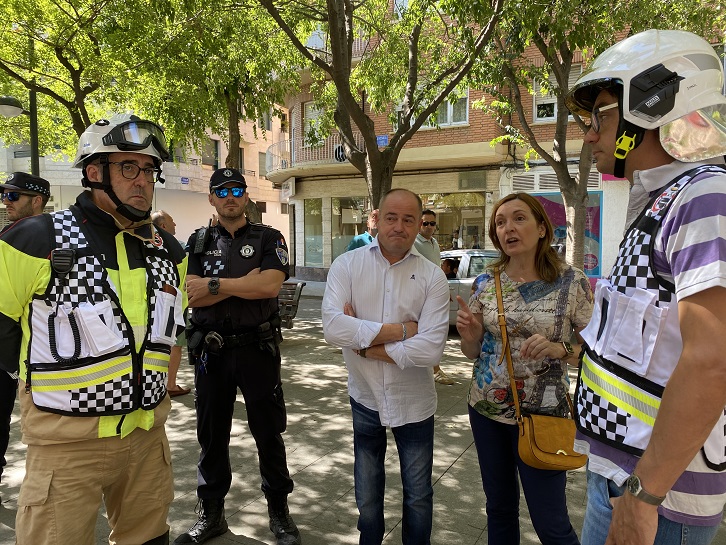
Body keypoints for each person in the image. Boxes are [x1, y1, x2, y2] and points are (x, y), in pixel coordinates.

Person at [563, 29, 726, 545]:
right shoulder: (661, 201)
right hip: (625, 481)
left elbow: (712, 360)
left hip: (659, 499)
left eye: (603, 115)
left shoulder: (704, 197)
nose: (591, 134)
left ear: (652, 105)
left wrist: (646, 496)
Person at [0, 114, 187, 545]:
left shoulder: (170, 252)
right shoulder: (35, 238)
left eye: (149, 169)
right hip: (66, 445)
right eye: (128, 167)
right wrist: (37, 378)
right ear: (93, 172)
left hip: (146, 438)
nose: (142, 180)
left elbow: (165, 333)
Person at [456, 192, 592, 545]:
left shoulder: (572, 281)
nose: (507, 228)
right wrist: (469, 335)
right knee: (499, 509)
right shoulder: (487, 281)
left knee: (551, 522)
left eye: (518, 219)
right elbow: (473, 354)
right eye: (500, 223)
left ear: (542, 228)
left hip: (545, 416)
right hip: (487, 410)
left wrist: (559, 348)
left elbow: (596, 351)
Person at [177, 167, 300, 545]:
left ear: (246, 197)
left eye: (236, 189)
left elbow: (270, 285)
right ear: (211, 198)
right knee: (211, 437)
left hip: (257, 350)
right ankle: (211, 515)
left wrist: (216, 285)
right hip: (211, 352)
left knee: (268, 433)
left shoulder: (268, 238)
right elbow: (190, 294)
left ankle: (279, 513)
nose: (230, 196)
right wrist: (244, 285)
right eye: (221, 190)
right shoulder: (196, 242)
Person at [322, 188, 450, 545]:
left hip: (415, 403)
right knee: (367, 493)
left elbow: (431, 349)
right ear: (377, 219)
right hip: (364, 397)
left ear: (418, 224)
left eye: (409, 219)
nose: (400, 226)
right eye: (391, 217)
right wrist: (403, 331)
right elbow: (333, 327)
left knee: (419, 496)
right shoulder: (347, 265)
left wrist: (362, 344)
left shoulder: (432, 277)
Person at [0, 171, 51, 496]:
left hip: (23, 362)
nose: (6, 202)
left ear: (37, 200)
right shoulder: (9, 235)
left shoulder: (50, 241)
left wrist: (11, 366)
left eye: (13, 196)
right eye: (4, 195)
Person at [151, 209, 191, 397]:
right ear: (164, 226)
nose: (175, 224)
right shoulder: (175, 245)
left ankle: (158, 383)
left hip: (156, 305)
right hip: (176, 305)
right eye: (172, 221)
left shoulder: (147, 244)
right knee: (175, 345)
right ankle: (171, 385)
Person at [414, 209, 455, 385]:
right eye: (425, 223)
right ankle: (434, 369)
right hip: (420, 294)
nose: (429, 227)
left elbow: (436, 270)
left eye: (432, 224)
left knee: (435, 330)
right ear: (419, 224)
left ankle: (433, 367)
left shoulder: (435, 243)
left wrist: (445, 289)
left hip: (435, 292)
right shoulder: (413, 242)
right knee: (425, 331)